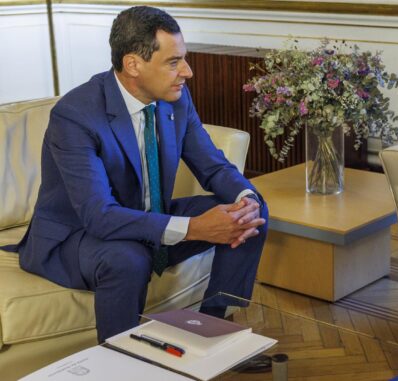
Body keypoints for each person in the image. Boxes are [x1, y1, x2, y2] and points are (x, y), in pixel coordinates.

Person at [2, 6, 267, 343]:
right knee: (128, 258)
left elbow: (212, 165)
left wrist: (245, 198)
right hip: (77, 236)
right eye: (174, 62)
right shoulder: (75, 116)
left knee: (250, 212)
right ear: (133, 65)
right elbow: (99, 216)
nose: (187, 72)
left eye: (183, 59)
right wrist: (195, 228)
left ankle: (213, 336)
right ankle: (121, 365)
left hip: (146, 221)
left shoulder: (176, 99)